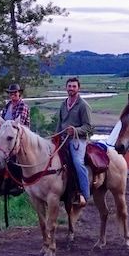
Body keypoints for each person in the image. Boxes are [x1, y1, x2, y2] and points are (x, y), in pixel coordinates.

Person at [55, 76, 93, 207]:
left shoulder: (83, 105)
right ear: (66, 88)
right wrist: (55, 137)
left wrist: (75, 130)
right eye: (69, 86)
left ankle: (85, 194)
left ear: (78, 88)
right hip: (62, 139)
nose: (71, 88)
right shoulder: (63, 104)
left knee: (77, 162)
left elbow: (88, 127)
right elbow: (59, 124)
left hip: (77, 140)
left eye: (74, 86)